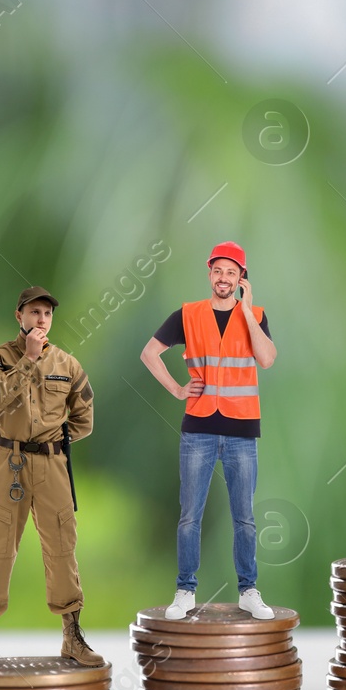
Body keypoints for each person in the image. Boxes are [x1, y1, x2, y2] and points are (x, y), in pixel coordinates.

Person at [0, 286, 102, 675]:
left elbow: (84, 416)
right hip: (10, 461)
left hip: (53, 465)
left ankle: (72, 633)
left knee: (62, 547)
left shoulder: (68, 364)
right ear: (19, 316)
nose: (41, 319)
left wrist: (56, 441)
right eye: (34, 312)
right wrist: (27, 361)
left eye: (47, 314)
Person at [141, 242, 279, 620]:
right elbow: (149, 353)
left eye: (231, 273)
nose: (223, 278)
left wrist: (247, 310)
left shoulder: (257, 315)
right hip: (199, 427)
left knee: (245, 518)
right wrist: (178, 390)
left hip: (241, 428)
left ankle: (248, 590)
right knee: (190, 515)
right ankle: (185, 590)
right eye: (218, 271)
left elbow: (266, 359)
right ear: (209, 274)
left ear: (241, 278)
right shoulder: (187, 315)